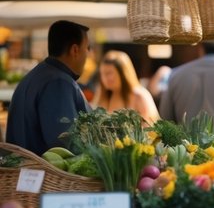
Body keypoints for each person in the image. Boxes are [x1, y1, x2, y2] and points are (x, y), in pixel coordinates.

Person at [6, 20, 90, 155]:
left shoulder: (38, 75)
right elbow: (65, 143)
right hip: (46, 175)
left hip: (26, 172)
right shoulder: (58, 82)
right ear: (75, 50)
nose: (87, 55)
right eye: (87, 48)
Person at [95, 50, 159, 123]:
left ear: (123, 73)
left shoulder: (139, 96)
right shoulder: (103, 96)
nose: (105, 78)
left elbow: (150, 128)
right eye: (102, 73)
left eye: (109, 73)